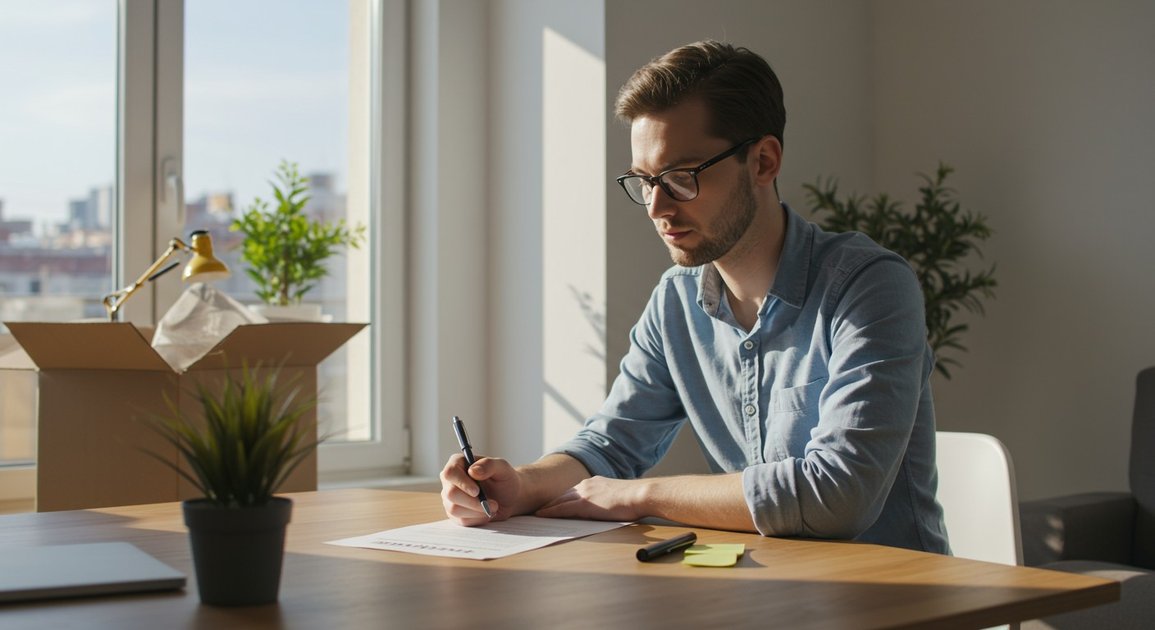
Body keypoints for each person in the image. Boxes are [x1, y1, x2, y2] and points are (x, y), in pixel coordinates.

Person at [441, 40, 950, 554]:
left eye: (681, 177)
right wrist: (523, 485)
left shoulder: (869, 286)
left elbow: (839, 496)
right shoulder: (677, 302)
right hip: (769, 596)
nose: (657, 207)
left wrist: (638, 496)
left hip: (895, 602)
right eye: (643, 181)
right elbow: (610, 444)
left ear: (763, 161)